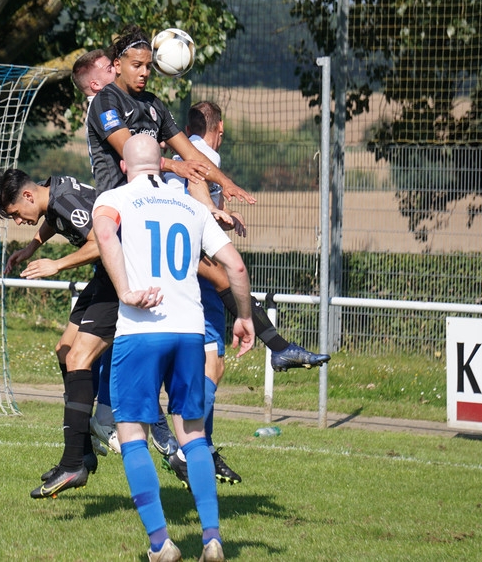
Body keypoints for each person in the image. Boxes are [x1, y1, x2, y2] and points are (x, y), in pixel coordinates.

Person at [92, 133, 256, 562]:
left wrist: (125, 291)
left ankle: (160, 544)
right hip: (189, 333)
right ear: (163, 162)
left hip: (139, 332)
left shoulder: (114, 198)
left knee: (132, 434)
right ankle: (212, 538)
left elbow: (104, 232)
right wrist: (244, 316)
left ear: (124, 166)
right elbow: (236, 266)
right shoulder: (192, 206)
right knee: (194, 435)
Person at [161, 102, 331, 487]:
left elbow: (192, 200)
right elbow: (194, 193)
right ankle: (188, 447)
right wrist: (212, 208)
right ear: (219, 127)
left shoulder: (180, 152)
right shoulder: (201, 154)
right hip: (190, 266)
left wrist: (219, 214)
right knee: (223, 308)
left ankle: (199, 446)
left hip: (174, 261)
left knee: (209, 364)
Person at [0, 168, 111, 499]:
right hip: (106, 276)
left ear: (28, 195)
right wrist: (31, 248)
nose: (18, 221)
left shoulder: (64, 200)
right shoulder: (53, 193)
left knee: (79, 358)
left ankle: (74, 463)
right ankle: (82, 453)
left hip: (121, 276)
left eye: (16, 213)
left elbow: (101, 242)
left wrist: (56, 264)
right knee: (64, 350)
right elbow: (54, 220)